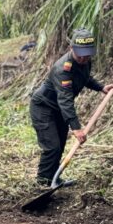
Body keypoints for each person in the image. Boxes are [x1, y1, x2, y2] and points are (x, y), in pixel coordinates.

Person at [30, 29, 112, 187]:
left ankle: (54, 178)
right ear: (71, 48)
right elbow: (65, 100)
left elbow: (85, 77)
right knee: (52, 146)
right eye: (80, 54)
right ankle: (42, 182)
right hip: (43, 107)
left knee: (60, 145)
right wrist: (76, 128)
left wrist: (101, 87)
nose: (83, 58)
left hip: (59, 109)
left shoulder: (85, 60)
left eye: (87, 54)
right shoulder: (62, 69)